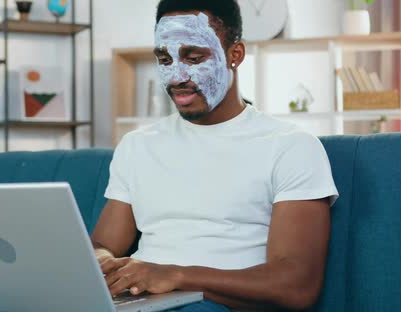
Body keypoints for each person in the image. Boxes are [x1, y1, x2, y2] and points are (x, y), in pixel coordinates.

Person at [91, 0, 339, 310]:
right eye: (165, 59)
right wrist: (102, 263)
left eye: (194, 58)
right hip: (140, 302)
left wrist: (175, 276)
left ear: (235, 55)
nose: (176, 76)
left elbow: (296, 286)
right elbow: (103, 244)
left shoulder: (291, 146)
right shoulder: (137, 145)